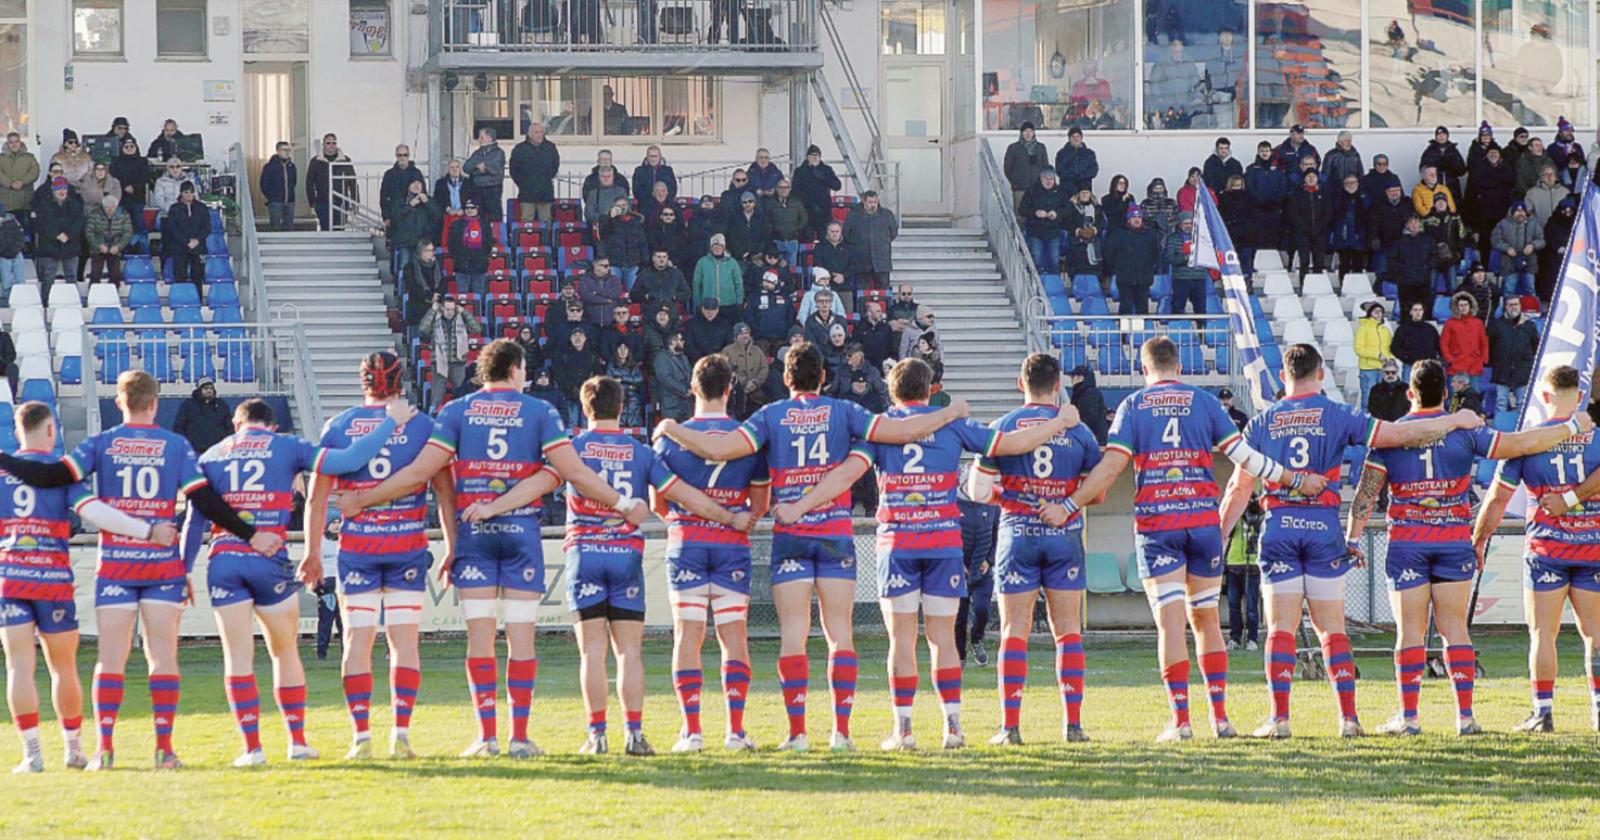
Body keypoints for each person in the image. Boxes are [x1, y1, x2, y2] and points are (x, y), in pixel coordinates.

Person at [656, 344, 973, 752]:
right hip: (835, 532)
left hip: (792, 532)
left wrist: (670, 427)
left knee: (794, 634)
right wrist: (951, 412)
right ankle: (841, 734)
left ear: (786, 379)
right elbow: (904, 432)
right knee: (839, 633)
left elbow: (717, 450)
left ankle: (797, 735)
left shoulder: (770, 415)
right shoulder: (845, 411)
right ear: (824, 377)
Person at [339, 340, 639, 757]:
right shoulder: (540, 411)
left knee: (480, 639)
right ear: (515, 369)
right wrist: (622, 503)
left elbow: (420, 472)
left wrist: (363, 500)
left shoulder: (456, 411)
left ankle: (486, 737)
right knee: (521, 638)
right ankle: (519, 736)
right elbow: (573, 471)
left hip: (475, 536)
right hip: (521, 534)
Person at [775, 358, 1076, 751]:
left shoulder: (882, 430)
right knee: (942, 639)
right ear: (931, 388)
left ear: (892, 391)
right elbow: (1013, 444)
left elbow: (848, 474)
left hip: (898, 543)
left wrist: (800, 505)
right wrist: (1060, 421)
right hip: (943, 543)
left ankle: (904, 731)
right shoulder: (951, 424)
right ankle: (952, 729)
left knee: (900, 640)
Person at [0, 371, 276, 770]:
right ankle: (164, 750)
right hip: (162, 564)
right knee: (162, 656)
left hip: (115, 566)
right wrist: (250, 534)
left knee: (109, 660)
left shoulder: (101, 444)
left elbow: (51, 475)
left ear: (118, 402)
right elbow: (206, 501)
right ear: (155, 404)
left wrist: (5, 459)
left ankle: (104, 750)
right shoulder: (176, 445)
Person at [1062, 337, 1330, 742]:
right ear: (1180, 368)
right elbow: (1245, 457)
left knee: (1171, 623)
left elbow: (1111, 466)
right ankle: (1221, 720)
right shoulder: (1204, 402)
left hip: (1158, 526)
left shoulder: (1134, 406)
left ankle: (1181, 722)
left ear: (1144, 369)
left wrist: (1070, 504)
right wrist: (1295, 478)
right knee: (1207, 619)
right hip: (1203, 524)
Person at [1218, 344, 1482, 739]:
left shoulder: (1261, 423)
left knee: (1280, 630)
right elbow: (1401, 434)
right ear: (1320, 374)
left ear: (1284, 376)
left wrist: (1218, 540)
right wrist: (1457, 420)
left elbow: (1239, 490)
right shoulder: (1338, 414)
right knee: (1332, 630)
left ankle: (1280, 719)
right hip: (1323, 528)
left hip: (1279, 527)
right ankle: (1349, 719)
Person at [1350, 361, 1584, 737]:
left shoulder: (1390, 437)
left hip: (1408, 542)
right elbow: (1520, 444)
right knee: (1455, 629)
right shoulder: (1468, 431)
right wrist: (1572, 427)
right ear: (1445, 394)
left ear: (1410, 393)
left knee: (1409, 633)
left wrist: (1352, 538)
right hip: (1454, 541)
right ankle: (1466, 718)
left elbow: (1365, 493)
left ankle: (1409, 718)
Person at [183, 397, 413, 766]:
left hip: (224, 557)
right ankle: (297, 742)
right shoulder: (286, 446)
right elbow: (348, 461)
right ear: (271, 426)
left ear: (237, 426)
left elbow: (194, 520)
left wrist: (182, 570)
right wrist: (391, 423)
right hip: (269, 557)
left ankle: (252, 750)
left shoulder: (212, 455)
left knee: (237, 656)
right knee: (284, 651)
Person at [0, 402, 180, 773]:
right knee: (63, 667)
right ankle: (74, 749)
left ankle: (32, 755)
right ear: (51, 431)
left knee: (19, 665)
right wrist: (147, 531)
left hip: (12, 577)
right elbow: (95, 512)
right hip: (52, 582)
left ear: (18, 431)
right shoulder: (62, 473)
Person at [960, 354, 1103, 745]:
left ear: (1019, 383)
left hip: (1017, 533)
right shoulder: (1080, 433)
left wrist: (1011, 493)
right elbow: (1100, 492)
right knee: (1068, 632)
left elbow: (977, 492)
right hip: (1065, 534)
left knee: (1014, 632)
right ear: (1058, 385)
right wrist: (1064, 500)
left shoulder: (1003, 428)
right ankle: (1073, 726)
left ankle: (1010, 728)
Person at [642, 355, 771, 751]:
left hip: (686, 542)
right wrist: (733, 515)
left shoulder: (668, 438)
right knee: (734, 636)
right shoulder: (748, 439)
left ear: (692, 389)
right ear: (730, 389)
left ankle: (691, 732)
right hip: (731, 546)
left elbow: (658, 504)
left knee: (688, 636)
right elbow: (760, 504)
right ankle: (735, 731)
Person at [1494, 371, 1600, 733]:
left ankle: (1543, 712)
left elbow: (1497, 497)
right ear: (1581, 394)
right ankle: (1598, 711)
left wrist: (1478, 540)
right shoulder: (1596, 437)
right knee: (1596, 634)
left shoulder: (1531, 443)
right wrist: (1574, 498)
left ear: (1543, 395)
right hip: (1592, 547)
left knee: (1542, 633)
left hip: (1546, 550)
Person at [419, 296, 483, 407]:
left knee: (461, 396)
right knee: (436, 397)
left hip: (458, 362)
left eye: (452, 309)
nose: (450, 312)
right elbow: (423, 329)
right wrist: (432, 310)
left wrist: (464, 312)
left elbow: (477, 328)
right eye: (447, 309)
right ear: (442, 308)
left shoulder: (461, 319)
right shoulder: (435, 319)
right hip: (439, 363)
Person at [31, 178, 84, 302]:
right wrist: (55, 234)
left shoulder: (75, 205)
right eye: (59, 189)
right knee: (48, 277)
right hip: (49, 246)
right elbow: (40, 224)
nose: (62, 191)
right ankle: (46, 303)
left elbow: (79, 223)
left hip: (70, 245)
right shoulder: (44, 205)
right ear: (53, 190)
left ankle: (73, 301)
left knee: (71, 276)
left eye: (64, 189)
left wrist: (68, 235)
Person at [1488, 296, 1539, 416]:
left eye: (1516, 304)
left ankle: (1520, 431)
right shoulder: (1496, 325)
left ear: (1520, 306)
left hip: (1522, 370)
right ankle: (1500, 429)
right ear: (1505, 307)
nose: (1513, 307)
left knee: (1522, 403)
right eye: (1510, 305)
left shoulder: (1529, 325)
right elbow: (1490, 346)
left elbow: (1535, 346)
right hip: (1502, 369)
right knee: (1501, 403)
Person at [1224, 497, 1263, 651]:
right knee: (1233, 605)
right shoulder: (1236, 519)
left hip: (1252, 566)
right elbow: (1226, 531)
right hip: (1234, 564)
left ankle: (1252, 638)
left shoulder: (1259, 519)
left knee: (1251, 606)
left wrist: (1255, 516)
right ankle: (1235, 637)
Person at [164, 182, 211, 300]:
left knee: (198, 276)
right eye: (186, 192)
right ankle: (181, 301)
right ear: (181, 193)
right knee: (180, 276)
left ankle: (197, 301)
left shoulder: (202, 207)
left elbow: (207, 227)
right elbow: (172, 229)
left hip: (198, 247)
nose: (189, 195)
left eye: (191, 192)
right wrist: (186, 242)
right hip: (180, 248)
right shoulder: (174, 209)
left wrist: (197, 240)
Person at [1244, 142, 1287, 269]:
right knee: (1259, 238)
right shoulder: (1251, 169)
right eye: (1262, 150)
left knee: (1274, 237)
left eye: (1267, 150)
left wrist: (1274, 202)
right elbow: (1250, 188)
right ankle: (1257, 265)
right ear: (1258, 152)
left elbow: (1282, 188)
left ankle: (1274, 265)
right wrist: (1261, 202)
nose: (1264, 153)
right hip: (1258, 210)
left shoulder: (1278, 170)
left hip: (1274, 209)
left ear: (1271, 152)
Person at [843, 191, 898, 291]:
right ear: (864, 201)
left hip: (882, 262)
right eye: (870, 202)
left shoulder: (887, 214)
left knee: (883, 291)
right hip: (861, 262)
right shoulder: (853, 215)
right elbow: (846, 234)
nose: (873, 205)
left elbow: (893, 233)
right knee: (863, 292)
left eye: (875, 202)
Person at [1465, 146, 1516, 252]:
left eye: (1495, 152)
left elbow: (1511, 188)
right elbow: (1470, 194)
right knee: (1485, 244)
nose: (1493, 155)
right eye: (1491, 153)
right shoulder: (1478, 170)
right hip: (1483, 215)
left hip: (1502, 212)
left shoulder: (1507, 169)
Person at [509, 122, 559, 224]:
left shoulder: (550, 147)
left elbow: (555, 166)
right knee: (527, 222)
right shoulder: (520, 149)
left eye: (541, 132)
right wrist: (523, 183)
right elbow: (514, 170)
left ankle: (546, 240)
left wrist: (546, 178)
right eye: (536, 132)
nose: (540, 134)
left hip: (545, 192)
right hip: (527, 192)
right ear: (529, 134)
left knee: (546, 221)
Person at [1388, 217, 1436, 322]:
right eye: (1411, 222)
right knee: (1406, 308)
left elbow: (1434, 257)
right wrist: (1403, 270)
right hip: (1405, 281)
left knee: (1424, 307)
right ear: (1407, 225)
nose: (1414, 225)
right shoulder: (1399, 241)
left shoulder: (1428, 240)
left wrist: (1426, 268)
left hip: (1423, 280)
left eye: (1416, 222)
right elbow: (1393, 259)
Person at [1018, 167, 1065, 275]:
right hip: (1036, 232)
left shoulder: (1060, 192)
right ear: (1041, 178)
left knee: (1054, 261)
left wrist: (1057, 213)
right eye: (1046, 179)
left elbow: (1067, 209)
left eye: (1051, 179)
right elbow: (1022, 210)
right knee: (1036, 261)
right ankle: (1035, 287)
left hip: (1054, 232)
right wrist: (1035, 213)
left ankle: (1055, 285)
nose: (1049, 182)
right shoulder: (1032, 191)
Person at [307, 134, 358, 231]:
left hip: (341, 201)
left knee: (340, 229)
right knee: (325, 230)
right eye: (328, 143)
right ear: (323, 145)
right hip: (322, 202)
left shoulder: (345, 160)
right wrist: (312, 202)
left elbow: (352, 182)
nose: (331, 145)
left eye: (334, 143)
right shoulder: (316, 161)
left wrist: (355, 201)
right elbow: (309, 182)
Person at [390, 181, 440, 279]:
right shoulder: (401, 200)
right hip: (405, 242)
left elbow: (437, 216)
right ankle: (403, 290)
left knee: (426, 268)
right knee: (405, 267)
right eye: (413, 183)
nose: (416, 186)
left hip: (423, 242)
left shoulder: (428, 200)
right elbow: (395, 217)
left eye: (419, 183)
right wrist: (409, 205)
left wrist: (427, 203)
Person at [1492, 201, 1544, 297]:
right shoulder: (1503, 224)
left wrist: (1533, 245)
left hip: (1529, 262)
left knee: (1530, 290)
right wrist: (1507, 248)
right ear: (1512, 213)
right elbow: (1495, 240)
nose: (1520, 213)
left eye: (1522, 211)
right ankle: (1508, 310)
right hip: (1509, 263)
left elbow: (1541, 240)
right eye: (1517, 211)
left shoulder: (1534, 223)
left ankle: (1531, 311)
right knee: (1508, 290)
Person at [791, 145, 841, 242]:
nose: (815, 157)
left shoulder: (826, 170)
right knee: (806, 240)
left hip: (823, 211)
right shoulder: (800, 171)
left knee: (825, 240)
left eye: (817, 155)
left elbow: (837, 185)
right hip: (806, 212)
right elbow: (795, 191)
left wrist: (823, 178)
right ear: (807, 157)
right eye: (812, 155)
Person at [1164, 211, 1210, 314]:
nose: (1188, 226)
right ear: (1179, 224)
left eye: (1190, 223)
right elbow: (1170, 258)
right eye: (1185, 223)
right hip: (1181, 279)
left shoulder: (1202, 238)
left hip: (1199, 278)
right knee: (1178, 308)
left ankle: (1201, 329)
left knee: (1201, 309)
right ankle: (1178, 329)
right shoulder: (1173, 238)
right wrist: (1186, 258)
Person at [1285, 170, 1329, 277]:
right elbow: (1294, 214)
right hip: (1302, 233)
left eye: (1313, 176)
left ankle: (1318, 285)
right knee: (1304, 261)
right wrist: (1305, 227)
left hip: (1320, 232)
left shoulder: (1323, 194)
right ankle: (1304, 284)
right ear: (1304, 179)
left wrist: (1320, 227)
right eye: (1308, 176)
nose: (1311, 178)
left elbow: (1328, 213)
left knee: (1319, 261)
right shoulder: (1297, 195)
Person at [172, 376, 231, 457]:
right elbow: (179, 427)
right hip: (194, 451)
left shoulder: (221, 405)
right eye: (206, 388)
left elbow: (229, 427)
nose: (209, 390)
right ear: (199, 390)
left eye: (211, 388)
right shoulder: (188, 405)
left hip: (217, 451)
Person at [379, 145, 427, 240]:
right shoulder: (389, 175)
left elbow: (423, 193)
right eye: (400, 155)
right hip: (395, 217)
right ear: (396, 156)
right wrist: (386, 217)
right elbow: (383, 197)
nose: (403, 158)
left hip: (414, 219)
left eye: (405, 155)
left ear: (409, 156)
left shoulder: (416, 173)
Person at [599, 198, 648, 289]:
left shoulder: (636, 222)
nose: (621, 208)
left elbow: (643, 243)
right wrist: (611, 218)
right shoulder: (606, 220)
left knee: (633, 292)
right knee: (613, 291)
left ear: (628, 207)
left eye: (624, 205)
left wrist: (644, 261)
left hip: (633, 264)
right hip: (614, 264)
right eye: (618, 206)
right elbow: (602, 235)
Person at [692, 235, 743, 323]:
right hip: (709, 305)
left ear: (724, 247)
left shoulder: (732, 262)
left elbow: (738, 283)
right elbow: (697, 283)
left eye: (719, 246)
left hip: (728, 304)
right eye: (714, 246)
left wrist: (739, 300)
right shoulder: (702, 262)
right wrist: (698, 302)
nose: (717, 249)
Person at [1354, 302, 1394, 409]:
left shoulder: (1385, 330)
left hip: (1383, 368)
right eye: (1376, 311)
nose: (1379, 314)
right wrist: (1377, 355)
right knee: (1367, 398)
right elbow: (1358, 349)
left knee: (1384, 399)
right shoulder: (1363, 328)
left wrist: (1390, 359)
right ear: (1369, 313)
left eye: (1380, 311)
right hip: (1368, 368)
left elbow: (1390, 348)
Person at [85, 194, 131, 285]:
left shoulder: (124, 215)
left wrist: (118, 246)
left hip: (116, 246)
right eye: (107, 208)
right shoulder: (94, 214)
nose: (110, 210)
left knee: (115, 275)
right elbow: (89, 232)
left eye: (112, 207)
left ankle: (114, 294)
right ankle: (93, 294)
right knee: (95, 275)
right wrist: (98, 245)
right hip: (98, 247)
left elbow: (128, 233)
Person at [1540, 196, 1578, 305]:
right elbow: (1548, 237)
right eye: (1565, 210)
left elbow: (1581, 238)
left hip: (1572, 257)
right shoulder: (1552, 222)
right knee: (1553, 278)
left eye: (1570, 210)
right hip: (1554, 257)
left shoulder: (1577, 222)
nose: (1567, 213)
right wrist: (1557, 248)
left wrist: (1573, 249)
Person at [0, 133, 39, 239]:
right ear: (7, 144)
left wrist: (23, 182)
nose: (14, 144)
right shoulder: (1, 158)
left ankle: (26, 253)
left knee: (25, 231)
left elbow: (35, 172)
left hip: (24, 201)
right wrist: (10, 184)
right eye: (11, 142)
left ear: (21, 142)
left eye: (16, 141)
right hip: (5, 202)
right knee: (4, 233)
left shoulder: (30, 158)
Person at [1440, 293, 1488, 379]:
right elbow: (1444, 343)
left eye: (1466, 304)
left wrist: (1483, 359)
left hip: (1475, 365)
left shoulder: (1478, 323)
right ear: (1456, 307)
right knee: (1456, 392)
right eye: (1461, 305)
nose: (1463, 307)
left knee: (1474, 392)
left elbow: (1484, 343)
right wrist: (1450, 360)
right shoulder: (1450, 323)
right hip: (1456, 365)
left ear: (1470, 306)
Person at [1328, 175, 1367, 277]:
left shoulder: (1364, 198)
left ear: (1358, 184)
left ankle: (1357, 288)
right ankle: (1344, 285)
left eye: (1353, 182)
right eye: (1347, 183)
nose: (1351, 185)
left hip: (1359, 236)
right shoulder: (1337, 200)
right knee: (1344, 263)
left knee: (1358, 264)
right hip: (1343, 237)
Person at [464, 127, 506, 223]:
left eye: (481, 137)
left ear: (489, 137)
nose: (479, 139)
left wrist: (481, 168)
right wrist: (478, 168)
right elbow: (466, 167)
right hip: (477, 188)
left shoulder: (498, 153)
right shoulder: (477, 153)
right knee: (479, 215)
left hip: (492, 188)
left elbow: (496, 169)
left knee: (494, 215)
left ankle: (496, 236)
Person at [1391, 301, 1442, 377]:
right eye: (1415, 310)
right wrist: (1406, 357)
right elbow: (1395, 347)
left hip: (1428, 367)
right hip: (1411, 366)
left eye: (1420, 310)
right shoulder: (1402, 329)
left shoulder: (1430, 328)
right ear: (1410, 312)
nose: (1418, 312)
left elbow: (1438, 345)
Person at [765, 179, 808, 269]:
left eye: (786, 187)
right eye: (781, 187)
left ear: (790, 189)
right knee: (778, 268)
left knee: (792, 269)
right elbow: (766, 221)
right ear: (776, 189)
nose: (783, 190)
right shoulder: (770, 204)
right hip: (777, 242)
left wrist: (797, 231)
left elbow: (804, 219)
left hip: (792, 241)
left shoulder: (796, 203)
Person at [1063, 189, 1104, 283]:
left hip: (1094, 244)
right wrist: (1079, 231)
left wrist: (1093, 230)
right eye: (1082, 193)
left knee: (1094, 271)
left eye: (1087, 193)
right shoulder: (1072, 208)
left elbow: (1101, 223)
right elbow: (1066, 222)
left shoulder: (1097, 208)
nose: (1085, 195)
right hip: (1076, 244)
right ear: (1078, 194)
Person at [1004, 123, 1050, 207]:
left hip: (1037, 188)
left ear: (1034, 133)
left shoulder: (1040, 147)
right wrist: (1015, 180)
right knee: (1020, 215)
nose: (1028, 134)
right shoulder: (1013, 148)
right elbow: (1007, 168)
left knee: (1037, 214)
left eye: (1030, 131)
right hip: (1020, 188)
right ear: (1021, 133)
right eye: (1025, 131)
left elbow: (1045, 167)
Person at [653, 330, 693, 422]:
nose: (683, 342)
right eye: (681, 340)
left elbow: (690, 375)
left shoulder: (684, 357)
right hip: (670, 404)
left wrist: (690, 389)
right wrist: (684, 390)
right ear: (673, 342)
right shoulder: (661, 358)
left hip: (686, 404)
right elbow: (666, 379)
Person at [1420, 126, 1468, 201]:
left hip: (1452, 187)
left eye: (1443, 135)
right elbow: (1423, 169)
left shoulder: (1453, 151)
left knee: (1454, 208)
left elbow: (1462, 171)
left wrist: (1452, 163)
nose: (1441, 137)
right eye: (1439, 135)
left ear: (1447, 136)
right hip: (1434, 187)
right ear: (1435, 137)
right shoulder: (1429, 151)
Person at [259, 141, 297, 231]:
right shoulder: (270, 167)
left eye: (288, 150)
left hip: (290, 201)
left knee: (289, 226)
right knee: (275, 226)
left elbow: (294, 182)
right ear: (278, 151)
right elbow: (264, 184)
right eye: (284, 150)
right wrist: (271, 197)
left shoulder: (292, 166)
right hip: (275, 201)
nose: (287, 152)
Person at [1069, 365, 1108, 444]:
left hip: (1093, 439)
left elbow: (1089, 417)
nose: (1071, 380)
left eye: (1073, 377)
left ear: (1080, 378)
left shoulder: (1089, 393)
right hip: (1091, 438)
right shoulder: (1084, 392)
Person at [1053, 128, 1098, 196]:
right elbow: (1059, 170)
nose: (1076, 139)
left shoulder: (1089, 153)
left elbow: (1093, 170)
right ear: (1069, 138)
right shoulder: (1061, 153)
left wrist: (1082, 176)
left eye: (1078, 136)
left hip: (1084, 188)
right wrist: (1072, 176)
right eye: (1073, 137)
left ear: (1081, 138)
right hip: (1067, 188)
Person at [855, 301, 896, 372]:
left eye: (880, 311)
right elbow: (856, 347)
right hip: (865, 366)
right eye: (878, 311)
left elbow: (890, 348)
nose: (881, 314)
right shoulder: (859, 328)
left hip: (883, 366)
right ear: (869, 313)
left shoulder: (886, 328)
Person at [1139, 178, 1178, 242]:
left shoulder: (1171, 203)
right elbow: (1142, 219)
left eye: (1160, 188)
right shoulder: (1145, 203)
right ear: (1152, 189)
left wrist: (1167, 225)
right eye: (1156, 188)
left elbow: (1176, 218)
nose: (1158, 191)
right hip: (1150, 234)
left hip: (1168, 234)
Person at [150, 159, 188, 224]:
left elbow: (195, 199)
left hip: (185, 213)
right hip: (166, 213)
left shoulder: (188, 181)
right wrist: (172, 211)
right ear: (168, 169)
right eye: (172, 167)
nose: (175, 169)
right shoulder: (160, 181)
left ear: (181, 168)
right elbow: (159, 200)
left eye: (178, 166)